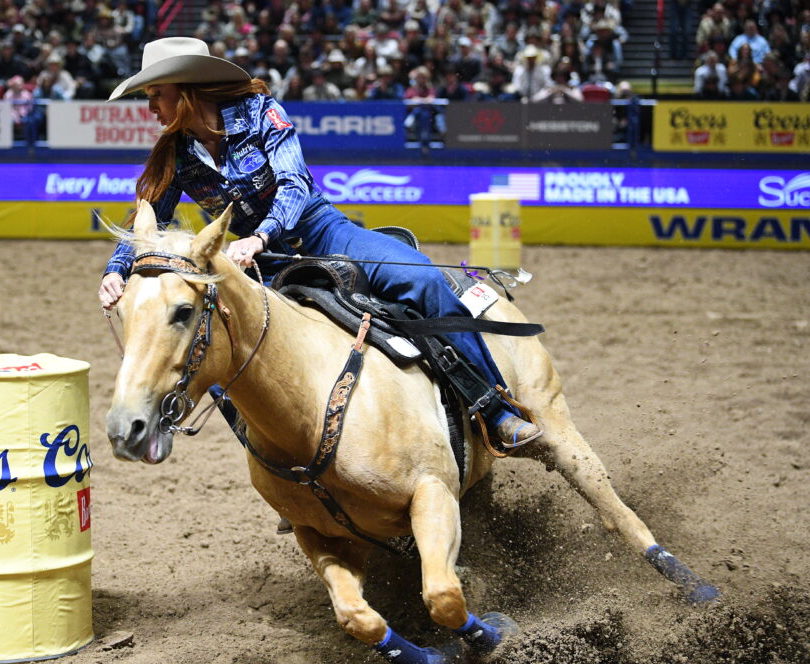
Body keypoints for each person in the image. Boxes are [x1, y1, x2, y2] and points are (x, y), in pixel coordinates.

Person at [97, 37, 542, 452]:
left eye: (156, 95)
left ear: (186, 90)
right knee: (215, 354)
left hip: (322, 233)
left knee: (420, 280)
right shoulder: (173, 152)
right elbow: (147, 218)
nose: (151, 107)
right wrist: (116, 271)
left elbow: (293, 183)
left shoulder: (259, 112)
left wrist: (260, 234)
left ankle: (495, 409)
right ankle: (283, 466)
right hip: (261, 262)